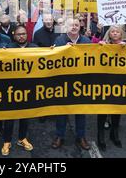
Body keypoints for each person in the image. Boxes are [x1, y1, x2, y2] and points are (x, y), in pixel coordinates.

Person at [92, 24, 126, 151]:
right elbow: (92, 45)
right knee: (102, 110)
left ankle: (115, 133)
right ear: (109, 33)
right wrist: (98, 37)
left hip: (120, 82)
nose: (114, 33)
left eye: (117, 32)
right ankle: (100, 136)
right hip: (104, 82)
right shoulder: (103, 44)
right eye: (112, 31)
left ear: (121, 34)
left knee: (117, 109)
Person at [51, 18, 91, 151]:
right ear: (66, 27)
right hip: (63, 82)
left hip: (81, 83)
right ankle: (59, 135)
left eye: (76, 25)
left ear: (80, 27)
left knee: (80, 111)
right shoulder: (59, 40)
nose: (74, 27)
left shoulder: (86, 41)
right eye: (71, 25)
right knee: (61, 111)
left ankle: (81, 136)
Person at [1, 25, 36, 156]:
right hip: (11, 88)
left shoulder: (34, 48)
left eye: (24, 34)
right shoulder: (8, 48)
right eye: (18, 34)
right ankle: (7, 141)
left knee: (25, 116)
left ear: (27, 35)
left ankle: (22, 138)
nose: (21, 36)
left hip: (28, 88)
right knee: (9, 116)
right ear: (14, 35)